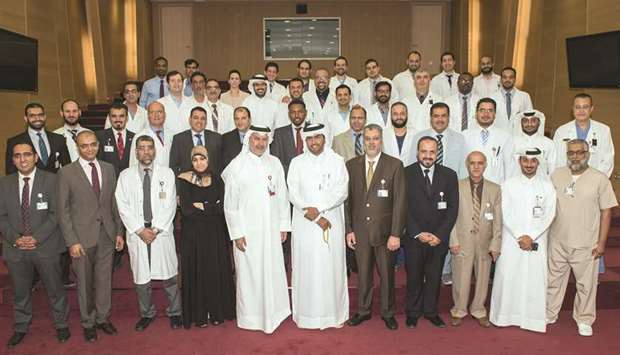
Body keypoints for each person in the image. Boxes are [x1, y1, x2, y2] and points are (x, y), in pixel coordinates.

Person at [222, 125, 291, 334]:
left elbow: (282, 196)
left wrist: (283, 225)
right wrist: (236, 233)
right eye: (256, 139)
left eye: (264, 139)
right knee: (249, 275)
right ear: (248, 140)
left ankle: (276, 313)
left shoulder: (275, 163)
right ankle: (251, 317)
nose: (260, 143)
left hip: (271, 231)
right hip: (248, 233)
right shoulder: (237, 165)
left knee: (272, 271)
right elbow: (230, 204)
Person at [0, 143, 70, 349]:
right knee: (20, 291)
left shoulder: (52, 180)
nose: (23, 159)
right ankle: (21, 326)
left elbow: (56, 213)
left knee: (55, 289)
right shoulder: (4, 184)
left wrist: (36, 238)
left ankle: (62, 324)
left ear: (35, 157)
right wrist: (16, 238)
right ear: (13, 160)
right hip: (16, 247)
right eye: (18, 156)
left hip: (46, 246)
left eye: (27, 155)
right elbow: (1, 217)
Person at [57, 131, 124, 342]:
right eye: (84, 146)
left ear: (98, 145)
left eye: (93, 145)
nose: (89, 149)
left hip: (107, 234)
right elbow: (63, 211)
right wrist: (72, 241)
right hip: (81, 239)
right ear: (77, 147)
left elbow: (114, 203)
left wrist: (119, 232)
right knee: (84, 284)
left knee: (104, 280)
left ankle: (103, 318)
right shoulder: (66, 173)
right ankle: (88, 322)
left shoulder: (108, 168)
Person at [546, 139, 617, 337]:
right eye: (571, 152)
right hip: (558, 240)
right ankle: (550, 313)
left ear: (588, 154)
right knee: (553, 281)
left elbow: (606, 212)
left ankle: (585, 319)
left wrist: (601, 243)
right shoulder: (557, 175)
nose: (575, 156)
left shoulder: (599, 178)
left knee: (586, 285)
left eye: (580, 152)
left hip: (587, 243)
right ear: (566, 154)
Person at [115, 135, 182, 332]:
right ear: (136, 152)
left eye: (149, 148)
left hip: (160, 231)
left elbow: (171, 204)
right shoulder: (125, 176)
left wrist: (156, 229)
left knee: (169, 276)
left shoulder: (167, 173)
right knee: (141, 278)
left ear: (155, 151)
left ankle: (175, 312)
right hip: (138, 233)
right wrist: (139, 230)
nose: (146, 152)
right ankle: (147, 313)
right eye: (142, 148)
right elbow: (122, 206)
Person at [345, 124, 406, 330]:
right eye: (368, 138)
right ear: (363, 141)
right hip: (360, 232)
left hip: (385, 233)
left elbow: (400, 202)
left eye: (376, 138)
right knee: (363, 274)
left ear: (382, 140)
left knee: (387, 275)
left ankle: (388, 313)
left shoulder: (394, 165)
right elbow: (348, 201)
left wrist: (396, 233)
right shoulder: (352, 165)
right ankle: (363, 311)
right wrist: (349, 229)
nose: (371, 142)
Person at [288, 123, 349, 329]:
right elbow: (293, 193)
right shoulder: (296, 163)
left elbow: (342, 191)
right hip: (305, 224)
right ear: (305, 141)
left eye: (318, 137)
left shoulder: (337, 161)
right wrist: (314, 217)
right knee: (307, 268)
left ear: (324, 137)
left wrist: (320, 209)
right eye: (310, 138)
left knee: (331, 268)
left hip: (331, 221)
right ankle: (307, 316)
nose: (314, 141)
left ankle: (334, 315)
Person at [489, 147, 556, 333]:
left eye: (532, 161)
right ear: (519, 162)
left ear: (538, 162)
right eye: (525, 160)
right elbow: (505, 212)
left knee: (534, 279)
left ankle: (531, 319)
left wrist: (532, 236)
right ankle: (504, 317)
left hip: (537, 241)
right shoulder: (508, 184)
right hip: (512, 241)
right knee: (508, 276)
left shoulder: (547, 186)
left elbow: (549, 214)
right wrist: (520, 234)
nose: (528, 164)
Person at [403, 136, 459, 329]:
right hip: (414, 238)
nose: (428, 156)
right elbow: (402, 207)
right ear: (417, 152)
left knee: (434, 277)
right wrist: (418, 233)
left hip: (438, 239)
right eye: (424, 151)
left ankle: (431, 312)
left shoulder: (449, 175)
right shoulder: (405, 173)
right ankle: (412, 313)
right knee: (414, 277)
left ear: (437, 153)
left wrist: (440, 235)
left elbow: (453, 209)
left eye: (432, 152)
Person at [177, 145, 235, 328]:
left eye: (202, 159)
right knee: (197, 271)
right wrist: (210, 206)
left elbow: (222, 208)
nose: (199, 163)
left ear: (208, 160)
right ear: (191, 161)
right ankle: (199, 315)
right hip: (193, 236)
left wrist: (203, 206)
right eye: (195, 159)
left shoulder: (218, 180)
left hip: (215, 235)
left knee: (214, 271)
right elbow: (186, 209)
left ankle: (217, 312)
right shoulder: (184, 180)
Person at [449, 151, 501, 328]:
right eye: (473, 163)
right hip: (462, 241)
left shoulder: (495, 189)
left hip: (484, 242)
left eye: (480, 163)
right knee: (460, 278)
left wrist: (496, 243)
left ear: (485, 165)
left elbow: (498, 219)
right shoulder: (456, 186)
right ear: (467, 165)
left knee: (483, 278)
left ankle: (479, 309)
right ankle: (459, 310)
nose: (476, 166)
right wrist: (453, 240)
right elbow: (450, 217)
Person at [553, 93, 614, 178]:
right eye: (577, 107)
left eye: (585, 107)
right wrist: (565, 178)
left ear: (591, 109)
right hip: (567, 179)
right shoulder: (561, 131)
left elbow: (608, 160)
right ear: (573, 109)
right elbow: (556, 159)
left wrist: (596, 180)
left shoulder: (604, 130)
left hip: (595, 181)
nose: (581, 111)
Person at [6, 103, 71, 175]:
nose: (37, 119)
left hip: (56, 184)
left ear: (45, 116)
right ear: (26, 118)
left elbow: (68, 167)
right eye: (32, 116)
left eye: (40, 115)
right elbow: (11, 172)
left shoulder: (59, 139)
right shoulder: (14, 142)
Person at [462, 98, 515, 184]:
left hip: (496, 186)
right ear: (476, 114)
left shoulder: (505, 137)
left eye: (490, 110)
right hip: (470, 185)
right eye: (482, 110)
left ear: (495, 114)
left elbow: (509, 167)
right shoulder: (464, 135)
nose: (486, 114)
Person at [414, 102, 467, 179]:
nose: (440, 119)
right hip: (424, 185)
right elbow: (412, 166)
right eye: (436, 116)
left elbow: (463, 169)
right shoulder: (418, 137)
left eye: (443, 116)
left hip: (450, 186)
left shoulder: (459, 139)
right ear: (431, 118)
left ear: (448, 118)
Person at [169, 106, 223, 175]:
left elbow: (221, 165)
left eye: (202, 119)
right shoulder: (178, 139)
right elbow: (173, 167)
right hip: (186, 184)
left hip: (212, 183)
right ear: (190, 120)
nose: (199, 121)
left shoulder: (217, 138)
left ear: (206, 122)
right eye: (196, 118)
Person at [96, 103, 136, 177]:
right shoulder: (99, 136)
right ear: (109, 118)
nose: (118, 120)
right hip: (108, 180)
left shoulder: (135, 137)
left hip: (129, 180)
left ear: (127, 118)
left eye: (121, 116)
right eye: (114, 116)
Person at [129, 101, 173, 168]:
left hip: (169, 175)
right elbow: (133, 163)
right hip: (148, 176)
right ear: (148, 115)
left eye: (160, 112)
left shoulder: (173, 135)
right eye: (152, 112)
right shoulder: (139, 136)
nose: (156, 115)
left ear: (165, 114)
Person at [270, 99, 308, 177]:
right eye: (293, 112)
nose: (296, 115)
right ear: (288, 114)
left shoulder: (314, 131)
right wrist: (292, 174)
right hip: (287, 178)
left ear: (305, 113)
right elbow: (275, 161)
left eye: (300, 112)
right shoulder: (279, 133)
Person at [512, 110, 556, 176]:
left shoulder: (549, 144)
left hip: (541, 184)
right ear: (520, 123)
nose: (529, 124)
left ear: (539, 123)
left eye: (533, 121)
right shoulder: (511, 142)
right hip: (515, 184)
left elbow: (552, 171)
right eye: (525, 121)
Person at [490, 67, 533, 131]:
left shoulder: (525, 96)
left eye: (511, 77)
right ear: (500, 79)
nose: (507, 80)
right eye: (505, 77)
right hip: (498, 135)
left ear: (515, 79)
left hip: (518, 135)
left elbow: (529, 118)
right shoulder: (492, 97)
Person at [157, 70, 194, 135]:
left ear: (183, 84)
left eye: (179, 81)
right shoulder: (159, 103)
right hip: (168, 141)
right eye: (172, 81)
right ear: (168, 84)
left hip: (188, 140)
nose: (176, 83)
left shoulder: (192, 102)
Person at [382, 102, 417, 167]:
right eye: (395, 114)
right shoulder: (383, 135)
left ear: (407, 115)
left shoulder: (416, 135)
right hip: (389, 174)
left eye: (402, 114)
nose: (399, 117)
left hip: (410, 174)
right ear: (391, 116)